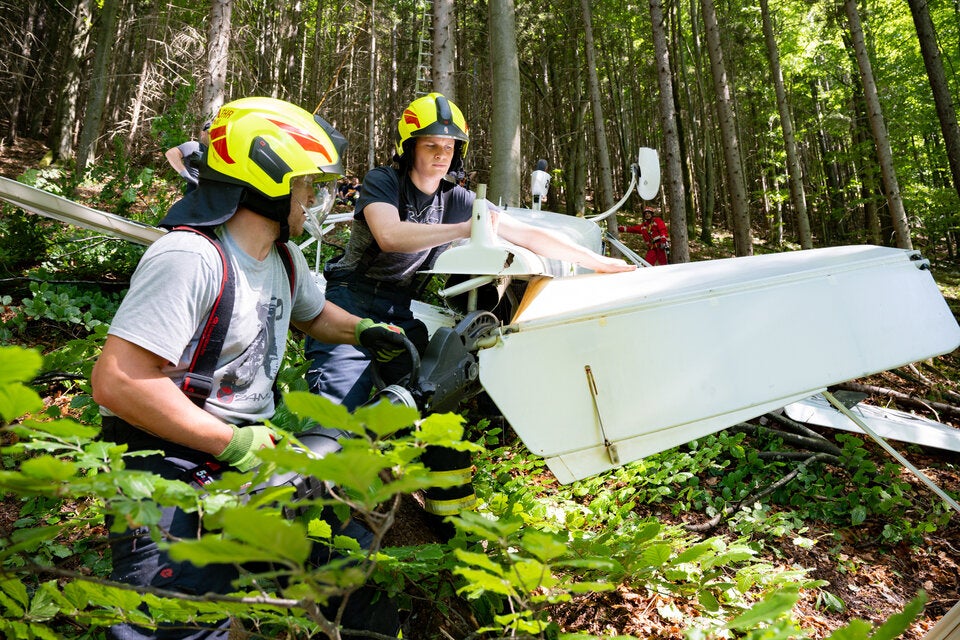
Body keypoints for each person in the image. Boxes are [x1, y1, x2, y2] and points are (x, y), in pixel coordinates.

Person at [91, 97, 406, 640]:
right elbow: (118, 380)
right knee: (173, 621)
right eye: (306, 183)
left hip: (246, 449)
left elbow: (314, 315)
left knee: (341, 569)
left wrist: (361, 330)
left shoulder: (283, 256)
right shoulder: (189, 259)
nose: (313, 196)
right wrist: (229, 444)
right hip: (164, 458)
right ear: (268, 178)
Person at [304, 92, 635, 520]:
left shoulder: (456, 196)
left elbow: (523, 232)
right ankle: (315, 517)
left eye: (449, 147)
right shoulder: (383, 181)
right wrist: (463, 228)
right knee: (337, 403)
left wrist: (595, 261)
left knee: (433, 394)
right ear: (409, 147)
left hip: (400, 307)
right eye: (430, 145)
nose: (441, 155)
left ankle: (450, 514)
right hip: (350, 300)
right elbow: (389, 236)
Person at [164, 121, 211, 193]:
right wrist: (188, 177)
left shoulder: (218, 152)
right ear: (203, 133)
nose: (212, 135)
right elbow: (171, 154)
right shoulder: (195, 146)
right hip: (195, 193)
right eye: (209, 132)